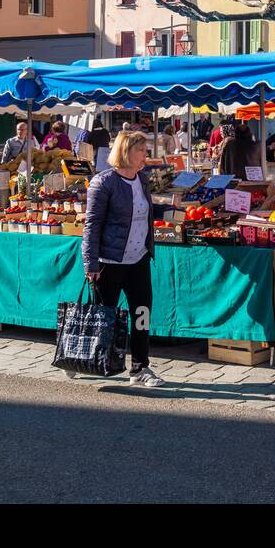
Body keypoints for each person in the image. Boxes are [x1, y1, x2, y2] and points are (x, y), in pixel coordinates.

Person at [82, 131, 165, 388]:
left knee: (142, 313)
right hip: (110, 261)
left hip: (138, 259)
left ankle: (140, 367)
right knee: (103, 316)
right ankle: (84, 355)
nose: (145, 155)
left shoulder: (143, 180)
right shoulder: (103, 182)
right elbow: (92, 224)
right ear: (126, 151)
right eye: (141, 150)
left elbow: (147, 211)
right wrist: (91, 263)